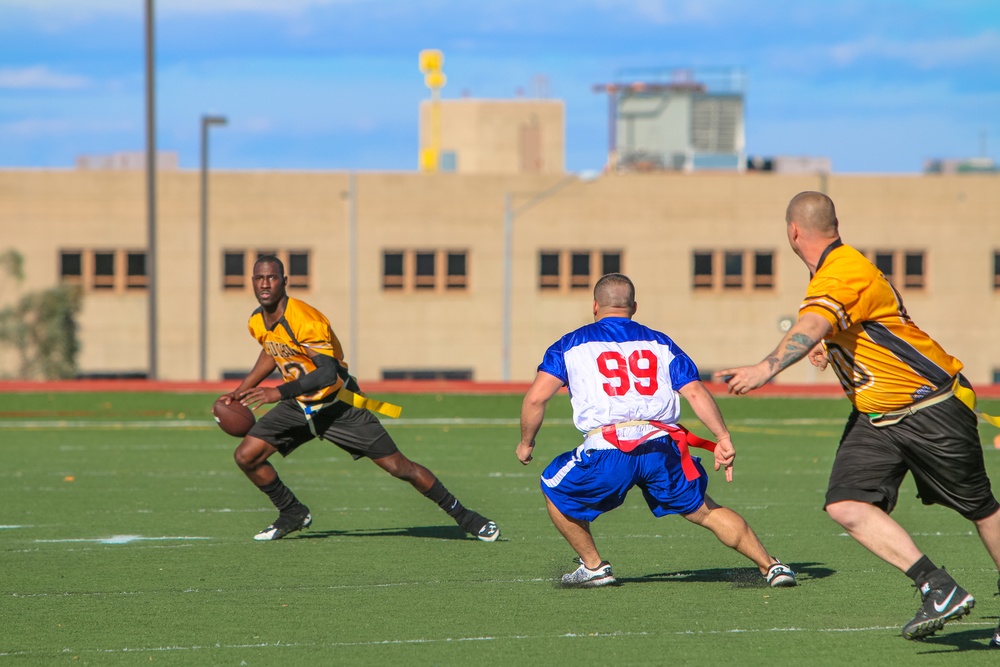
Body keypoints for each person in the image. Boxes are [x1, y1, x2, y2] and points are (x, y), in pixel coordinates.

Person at [715, 191, 1000, 642]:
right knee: (845, 504)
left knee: (981, 509)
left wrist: (765, 368)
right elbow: (854, 327)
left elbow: (810, 325)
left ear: (793, 232)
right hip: (877, 417)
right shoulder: (831, 272)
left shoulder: (845, 269)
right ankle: (936, 586)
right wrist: (834, 349)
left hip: (928, 408)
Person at [515, 273, 796, 589]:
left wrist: (527, 442)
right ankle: (772, 566)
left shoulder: (569, 344)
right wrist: (722, 437)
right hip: (663, 446)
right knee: (706, 510)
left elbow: (537, 397)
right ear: (633, 307)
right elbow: (695, 393)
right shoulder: (661, 342)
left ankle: (593, 566)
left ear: (595, 306)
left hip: (609, 447)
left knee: (554, 488)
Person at [219, 255, 499, 543]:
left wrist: (276, 392)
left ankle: (466, 517)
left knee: (399, 467)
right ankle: (292, 512)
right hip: (299, 403)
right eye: (259, 278)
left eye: (272, 277)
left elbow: (328, 374)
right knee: (246, 456)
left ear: (284, 281)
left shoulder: (304, 318)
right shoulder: (257, 319)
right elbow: (272, 350)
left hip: (338, 405)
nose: (265, 284)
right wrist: (241, 390)